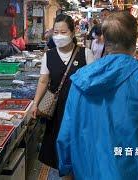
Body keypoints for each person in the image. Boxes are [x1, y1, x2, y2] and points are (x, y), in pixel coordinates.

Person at [57, 12, 138, 180]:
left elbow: (66, 135)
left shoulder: (80, 79)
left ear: (104, 40)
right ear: (135, 38)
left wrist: (67, 169)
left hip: (87, 172)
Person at [31, 14, 94, 170]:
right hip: (56, 108)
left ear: (73, 32)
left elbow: (92, 84)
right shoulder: (49, 55)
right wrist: (35, 103)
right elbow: (43, 81)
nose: (59, 36)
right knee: (57, 145)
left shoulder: (86, 54)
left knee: (76, 145)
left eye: (63, 32)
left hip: (78, 108)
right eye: (56, 32)